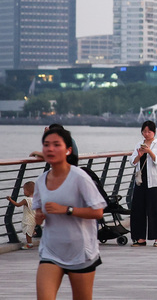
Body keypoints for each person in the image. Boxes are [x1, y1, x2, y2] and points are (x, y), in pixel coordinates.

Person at [32, 126, 106, 300]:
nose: (51, 149)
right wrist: (39, 217)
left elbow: (98, 212)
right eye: (47, 145)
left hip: (80, 253)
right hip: (51, 251)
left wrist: (67, 210)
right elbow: (38, 213)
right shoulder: (41, 181)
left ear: (68, 150)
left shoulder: (80, 177)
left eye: (57, 144)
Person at [129, 120, 157, 246]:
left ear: (154, 132)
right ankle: (140, 238)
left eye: (149, 131)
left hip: (154, 182)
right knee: (138, 210)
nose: (146, 134)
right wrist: (139, 155)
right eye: (144, 131)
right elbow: (132, 162)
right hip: (141, 182)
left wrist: (149, 151)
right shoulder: (139, 144)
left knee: (155, 210)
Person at [6, 181, 36, 249]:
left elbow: (18, 205)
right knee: (31, 228)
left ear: (28, 191)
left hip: (28, 218)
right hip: (34, 217)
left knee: (27, 232)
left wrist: (10, 199)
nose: (23, 192)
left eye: (24, 190)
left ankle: (29, 244)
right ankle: (34, 231)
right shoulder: (36, 199)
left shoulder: (26, 200)